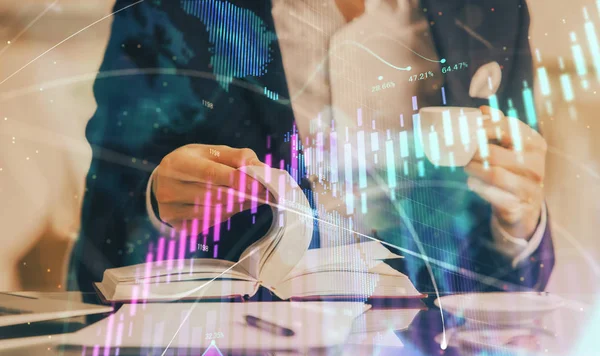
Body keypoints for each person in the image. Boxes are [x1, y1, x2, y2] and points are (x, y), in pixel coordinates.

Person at [69, 0, 554, 294]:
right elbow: (107, 215)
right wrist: (158, 200)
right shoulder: (170, 9)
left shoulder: (494, 11)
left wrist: (518, 226)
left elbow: (508, 281)